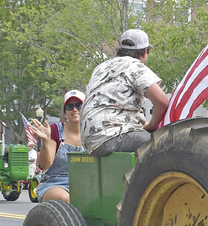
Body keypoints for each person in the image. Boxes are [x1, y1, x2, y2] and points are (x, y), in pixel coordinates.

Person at [81, 29, 170, 157]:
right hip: (110, 135)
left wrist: (143, 123)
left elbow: (118, 103)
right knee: (167, 144)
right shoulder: (134, 66)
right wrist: (151, 126)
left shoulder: (101, 67)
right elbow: (162, 102)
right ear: (145, 52)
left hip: (90, 140)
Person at [29, 90, 85, 202]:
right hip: (55, 182)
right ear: (65, 113)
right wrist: (45, 141)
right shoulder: (55, 130)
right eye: (70, 107)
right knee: (66, 199)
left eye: (79, 106)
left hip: (85, 184)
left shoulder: (93, 133)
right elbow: (45, 165)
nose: (74, 109)